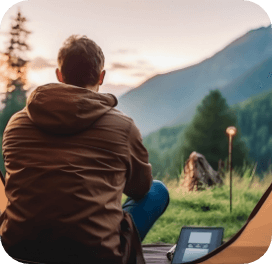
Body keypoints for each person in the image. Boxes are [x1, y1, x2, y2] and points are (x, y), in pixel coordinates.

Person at [0, 35, 170, 264]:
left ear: (59, 75)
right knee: (157, 191)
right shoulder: (123, 126)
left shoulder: (17, 124)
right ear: (101, 76)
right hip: (97, 256)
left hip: (20, 250)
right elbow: (140, 189)